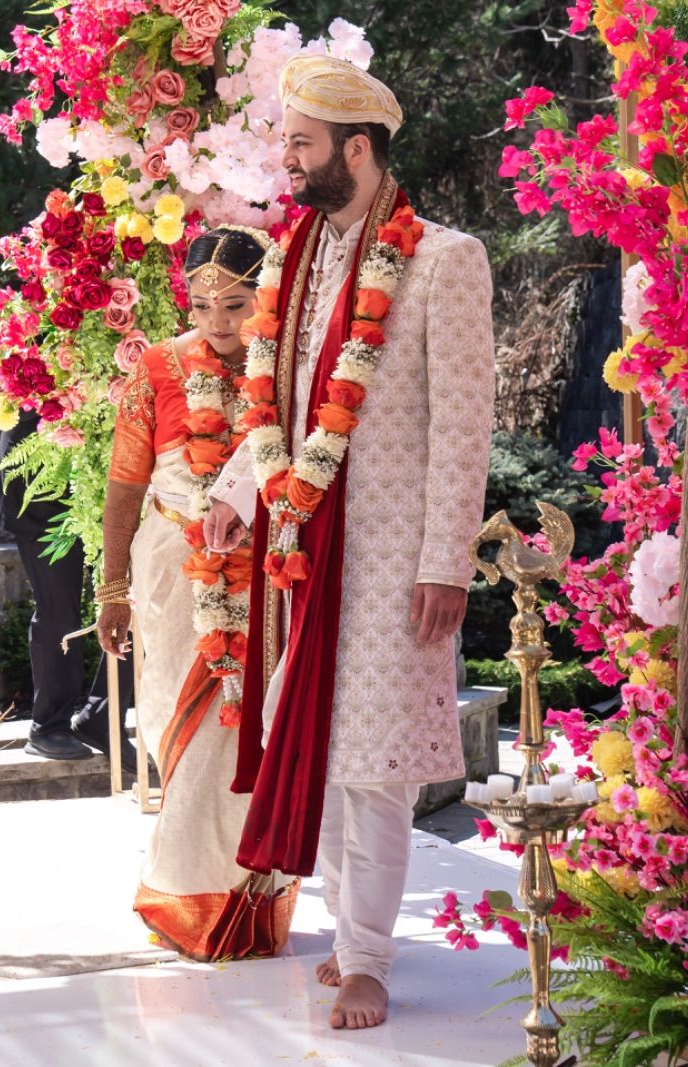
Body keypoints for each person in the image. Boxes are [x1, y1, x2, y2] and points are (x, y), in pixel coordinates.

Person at [204, 55, 495, 1029]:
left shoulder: (443, 260)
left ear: (357, 149)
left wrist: (445, 561)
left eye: (301, 143)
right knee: (321, 750)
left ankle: (367, 958)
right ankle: (348, 934)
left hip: (389, 554)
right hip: (302, 547)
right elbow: (280, 403)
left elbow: (462, 425)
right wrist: (237, 491)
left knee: (373, 763)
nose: (285, 160)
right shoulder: (292, 261)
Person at [97, 227, 298, 961]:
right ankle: (187, 898)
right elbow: (125, 484)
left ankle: (241, 899)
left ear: (263, 298)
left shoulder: (287, 369)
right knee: (173, 724)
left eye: (235, 305)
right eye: (203, 305)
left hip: (265, 571)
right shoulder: (156, 368)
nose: (218, 321)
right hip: (172, 566)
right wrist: (112, 587)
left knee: (249, 729)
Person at [0, 412, 96, 760]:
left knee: (128, 598)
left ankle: (101, 717)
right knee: (59, 608)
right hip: (38, 482)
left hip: (101, 468)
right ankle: (48, 727)